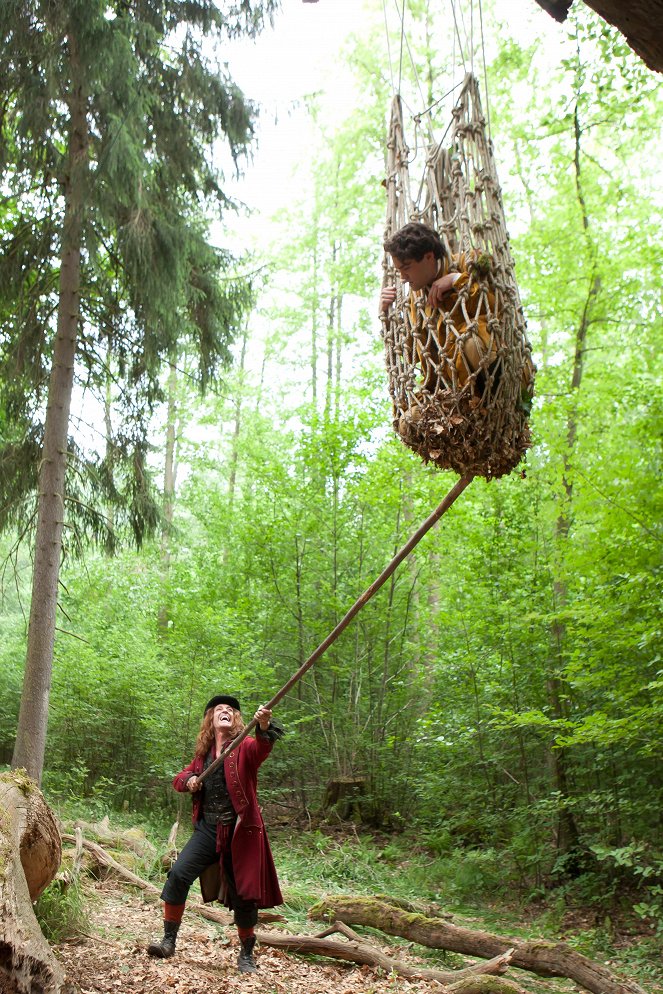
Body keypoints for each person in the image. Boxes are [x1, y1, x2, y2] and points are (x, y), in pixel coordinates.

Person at [147, 695, 284, 973]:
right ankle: (168, 941)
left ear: (236, 720)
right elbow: (178, 780)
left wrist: (264, 724)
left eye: (231, 710)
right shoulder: (203, 755)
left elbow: (261, 749)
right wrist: (190, 781)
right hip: (207, 830)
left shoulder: (244, 745)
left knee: (244, 895)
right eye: (219, 709)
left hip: (239, 831)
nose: (226, 711)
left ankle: (246, 955)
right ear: (210, 719)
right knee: (178, 875)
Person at [380, 221, 499, 394]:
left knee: (473, 345)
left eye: (406, 268)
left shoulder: (468, 263)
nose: (403, 277)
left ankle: (487, 405)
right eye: (399, 270)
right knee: (408, 419)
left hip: (486, 380)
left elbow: (493, 305)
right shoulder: (415, 298)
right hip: (443, 389)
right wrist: (386, 314)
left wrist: (455, 280)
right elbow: (409, 350)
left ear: (429, 257)